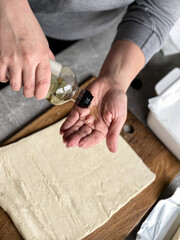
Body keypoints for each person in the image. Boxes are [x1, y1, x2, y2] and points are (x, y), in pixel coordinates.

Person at [0, 0, 179, 152]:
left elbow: (158, 9)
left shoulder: (66, 86)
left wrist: (115, 79)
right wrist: (11, 9)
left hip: (76, 30)